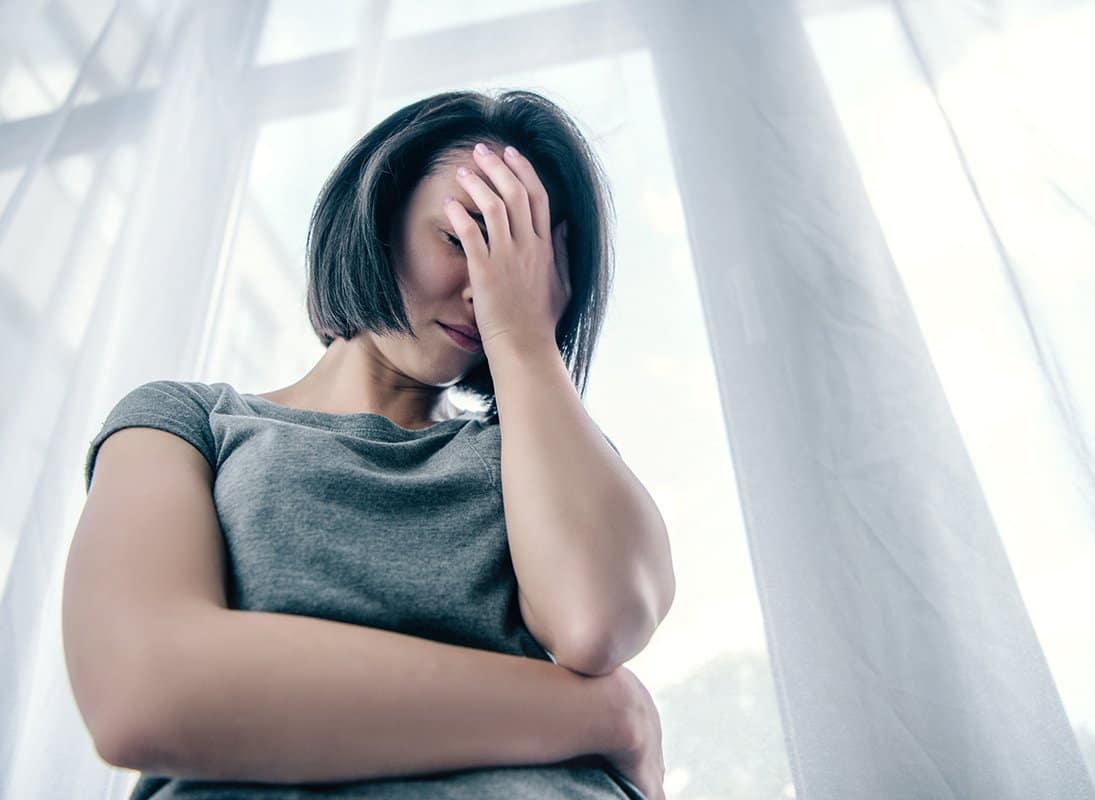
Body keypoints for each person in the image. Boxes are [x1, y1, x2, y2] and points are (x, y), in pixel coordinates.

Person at [65, 89, 668, 800]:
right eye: (464, 238)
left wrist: (526, 341)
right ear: (378, 218)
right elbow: (145, 690)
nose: (487, 290)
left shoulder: (540, 455)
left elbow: (597, 623)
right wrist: (606, 713)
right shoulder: (188, 423)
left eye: (525, 264)